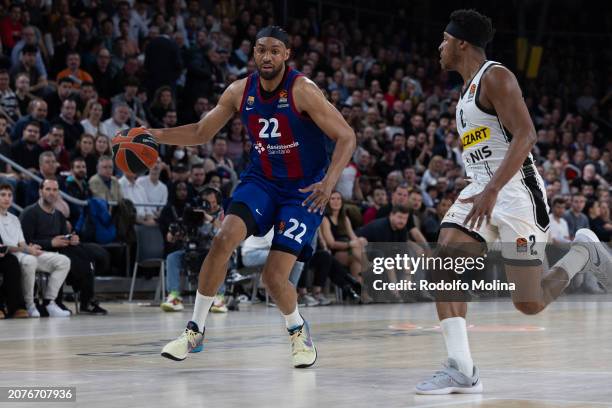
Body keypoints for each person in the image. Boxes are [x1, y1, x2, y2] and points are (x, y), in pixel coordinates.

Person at [415, 9, 612, 395]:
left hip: (517, 194)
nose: (438, 48)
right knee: (443, 263)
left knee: (529, 302)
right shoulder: (465, 90)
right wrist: (483, 188)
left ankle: (583, 253)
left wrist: (492, 190)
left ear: (461, 43)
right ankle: (462, 369)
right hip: (480, 189)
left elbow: (526, 136)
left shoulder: (496, 76)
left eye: (443, 40)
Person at [151, 26, 355, 367]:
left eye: (275, 50)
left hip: (303, 189)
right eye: (261, 49)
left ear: (287, 54)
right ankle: (194, 330)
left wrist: (329, 183)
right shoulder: (238, 90)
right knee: (223, 238)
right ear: (254, 53)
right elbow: (202, 132)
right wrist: (152, 134)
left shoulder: (302, 90)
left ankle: (297, 329)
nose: (267, 56)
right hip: (261, 180)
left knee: (274, 277)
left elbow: (346, 136)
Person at [20, 179, 107, 315]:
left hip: (60, 249)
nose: (51, 193)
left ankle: (85, 300)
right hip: (38, 252)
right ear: (40, 191)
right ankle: (76, 301)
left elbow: (63, 236)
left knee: (92, 253)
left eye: (55, 190)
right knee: (75, 258)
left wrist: (71, 239)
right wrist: (51, 243)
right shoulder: (29, 213)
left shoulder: (59, 215)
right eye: (48, 189)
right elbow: (25, 242)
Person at [0, 183, 71, 317]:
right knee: (30, 260)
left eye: (9, 195)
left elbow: (22, 243)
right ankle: (29, 305)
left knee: (63, 261)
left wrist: (30, 248)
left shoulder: (14, 219)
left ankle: (49, 302)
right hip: (11, 255)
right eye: (3, 195)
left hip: (23, 253)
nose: (7, 198)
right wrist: (27, 250)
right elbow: (5, 247)